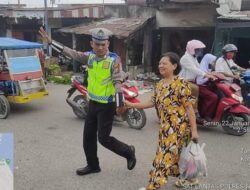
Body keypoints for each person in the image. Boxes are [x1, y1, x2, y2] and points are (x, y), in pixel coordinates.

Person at [39, 27, 136, 175]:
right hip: (93, 103)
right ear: (92, 44)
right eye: (97, 44)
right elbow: (71, 53)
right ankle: (93, 166)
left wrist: (120, 104)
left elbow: (117, 82)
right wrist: (51, 42)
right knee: (88, 138)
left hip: (107, 105)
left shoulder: (113, 60)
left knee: (103, 139)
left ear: (107, 44)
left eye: (103, 44)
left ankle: (128, 151)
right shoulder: (89, 57)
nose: (100, 47)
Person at [125, 52, 199, 190]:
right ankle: (190, 178)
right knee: (179, 156)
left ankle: (153, 186)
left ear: (174, 66)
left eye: (164, 63)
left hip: (178, 129)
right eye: (160, 63)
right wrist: (131, 105)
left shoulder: (181, 84)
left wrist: (194, 131)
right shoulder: (160, 84)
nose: (161, 65)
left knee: (163, 157)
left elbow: (189, 108)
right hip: (165, 128)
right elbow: (150, 102)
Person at [179, 40, 216, 119]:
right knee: (195, 88)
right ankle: (195, 111)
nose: (199, 51)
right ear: (192, 49)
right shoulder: (186, 58)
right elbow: (194, 69)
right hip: (183, 81)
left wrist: (210, 74)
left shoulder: (193, 58)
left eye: (199, 50)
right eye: (198, 50)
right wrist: (205, 74)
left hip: (191, 81)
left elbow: (199, 68)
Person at [196, 54, 222, 120]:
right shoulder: (201, 68)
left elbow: (210, 73)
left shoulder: (207, 67)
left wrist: (213, 74)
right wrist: (209, 77)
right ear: (208, 60)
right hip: (200, 87)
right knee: (213, 97)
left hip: (205, 86)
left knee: (218, 94)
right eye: (213, 61)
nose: (213, 63)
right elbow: (199, 81)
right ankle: (206, 115)